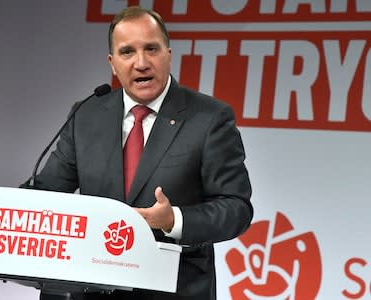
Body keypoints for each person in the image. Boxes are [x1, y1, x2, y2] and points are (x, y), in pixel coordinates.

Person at [25, 6, 253, 300]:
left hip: (170, 290)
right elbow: (48, 191)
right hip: (89, 288)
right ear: (112, 63)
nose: (141, 62)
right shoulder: (86, 114)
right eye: (127, 52)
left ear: (169, 54)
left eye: (151, 49)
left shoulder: (209, 118)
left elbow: (236, 209)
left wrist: (174, 220)